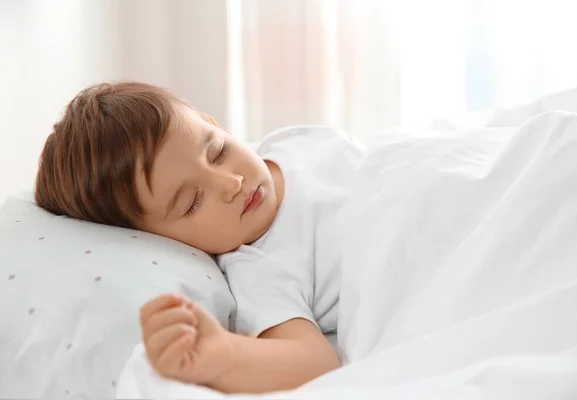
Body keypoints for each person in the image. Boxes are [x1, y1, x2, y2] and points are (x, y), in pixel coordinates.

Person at [35, 81, 365, 393]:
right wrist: (225, 356)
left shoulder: (288, 143)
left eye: (218, 152)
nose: (230, 183)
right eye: (192, 202)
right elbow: (314, 363)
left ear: (215, 124)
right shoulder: (258, 269)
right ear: (163, 241)